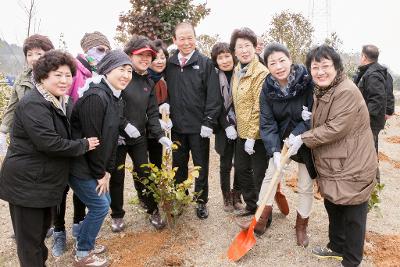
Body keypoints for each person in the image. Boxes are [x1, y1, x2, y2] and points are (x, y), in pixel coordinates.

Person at [0, 50, 99, 267]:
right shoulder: (33, 104)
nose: (64, 80)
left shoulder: (62, 101)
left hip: (44, 183)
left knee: (40, 235)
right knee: (30, 243)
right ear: (43, 76)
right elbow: (49, 142)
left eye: (67, 75)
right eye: (58, 75)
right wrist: (84, 144)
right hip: (26, 184)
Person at [288, 45, 376, 267]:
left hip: (353, 164)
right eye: (315, 67)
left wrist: (303, 138)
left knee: (353, 213)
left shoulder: (345, 90)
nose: (320, 71)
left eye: (325, 66)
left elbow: (336, 128)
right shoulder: (325, 89)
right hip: (336, 162)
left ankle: (352, 261)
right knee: (334, 205)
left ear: (336, 67)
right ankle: (337, 247)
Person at [69, 50, 133, 267]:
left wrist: (108, 171)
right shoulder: (96, 97)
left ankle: (84, 240)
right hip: (80, 164)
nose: (125, 75)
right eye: (121, 69)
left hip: (95, 166)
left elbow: (113, 138)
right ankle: (83, 253)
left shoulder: (115, 97)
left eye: (129, 70)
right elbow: (92, 142)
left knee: (103, 203)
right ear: (107, 70)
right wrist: (100, 174)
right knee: (100, 206)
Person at [52, 31, 111, 258]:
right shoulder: (75, 71)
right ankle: (61, 233)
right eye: (98, 49)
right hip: (72, 139)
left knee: (87, 197)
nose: (101, 53)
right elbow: (63, 104)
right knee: (65, 193)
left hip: (86, 142)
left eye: (105, 49)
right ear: (87, 49)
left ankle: (80, 231)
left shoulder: (97, 73)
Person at [109, 36, 172, 232]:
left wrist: (160, 134)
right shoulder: (122, 76)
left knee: (144, 172)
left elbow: (152, 112)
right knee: (117, 176)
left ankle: (152, 209)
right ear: (130, 55)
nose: (145, 59)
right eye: (140, 55)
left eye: (148, 56)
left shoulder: (147, 81)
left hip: (138, 137)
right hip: (117, 137)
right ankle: (117, 215)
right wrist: (124, 124)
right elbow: (112, 105)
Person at [255, 43, 316, 243]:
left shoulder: (307, 81)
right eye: (272, 63)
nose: (278, 66)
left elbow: (314, 114)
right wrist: (274, 150)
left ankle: (301, 227)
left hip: (305, 140)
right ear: (267, 66)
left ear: (290, 60)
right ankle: (260, 218)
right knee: (271, 173)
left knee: (305, 185)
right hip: (282, 141)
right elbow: (267, 121)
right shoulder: (267, 88)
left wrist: (299, 134)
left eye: (282, 60)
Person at [163, 22, 221, 219]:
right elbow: (165, 93)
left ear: (195, 38)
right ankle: (181, 197)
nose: (186, 42)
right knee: (178, 165)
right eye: (182, 38)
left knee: (200, 166)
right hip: (177, 127)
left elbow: (214, 97)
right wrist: (165, 111)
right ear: (175, 40)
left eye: (190, 38)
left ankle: (201, 201)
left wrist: (208, 122)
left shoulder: (205, 63)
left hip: (199, 128)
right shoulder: (169, 65)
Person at [229, 27, 269, 216]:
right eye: (240, 47)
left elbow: (259, 106)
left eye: (247, 46)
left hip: (258, 135)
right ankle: (252, 205)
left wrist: (253, 136)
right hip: (241, 132)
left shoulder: (261, 72)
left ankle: (263, 214)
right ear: (235, 51)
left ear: (254, 48)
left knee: (259, 174)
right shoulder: (237, 70)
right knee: (242, 170)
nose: (244, 50)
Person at [0, 34, 54, 155]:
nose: (34, 58)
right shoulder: (21, 79)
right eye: (29, 54)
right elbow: (13, 107)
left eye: (39, 53)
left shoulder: (57, 78)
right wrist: (2, 133)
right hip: (25, 137)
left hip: (50, 137)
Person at [210, 42, 244, 212]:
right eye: (220, 57)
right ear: (216, 61)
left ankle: (237, 194)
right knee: (225, 163)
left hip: (243, 123)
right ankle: (226, 197)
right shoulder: (214, 77)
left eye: (227, 56)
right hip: (223, 126)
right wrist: (227, 125)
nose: (224, 60)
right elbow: (216, 103)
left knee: (240, 162)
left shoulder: (241, 72)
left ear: (233, 55)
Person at [353, 44, 389, 184]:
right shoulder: (370, 71)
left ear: (363, 57)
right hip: (369, 122)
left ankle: (373, 184)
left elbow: (376, 100)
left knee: (369, 154)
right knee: (368, 152)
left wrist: (363, 118)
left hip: (369, 123)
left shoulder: (373, 74)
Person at [147, 39, 170, 168]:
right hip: (148, 129)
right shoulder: (145, 78)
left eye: (163, 57)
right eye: (156, 58)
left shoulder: (166, 77)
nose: (160, 61)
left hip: (165, 127)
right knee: (149, 165)